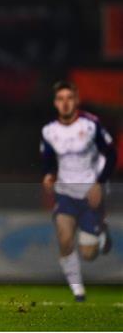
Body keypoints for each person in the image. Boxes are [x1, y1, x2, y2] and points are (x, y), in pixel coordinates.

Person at [41, 80, 116, 302]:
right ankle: (78, 290)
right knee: (64, 239)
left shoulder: (91, 125)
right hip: (65, 193)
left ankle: (101, 230)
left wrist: (99, 183)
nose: (65, 103)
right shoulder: (49, 131)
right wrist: (48, 176)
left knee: (88, 254)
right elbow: (47, 160)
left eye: (69, 98)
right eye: (61, 99)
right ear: (55, 103)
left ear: (76, 100)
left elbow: (111, 154)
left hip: (89, 192)